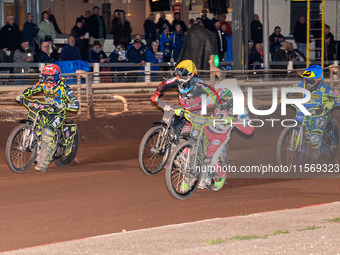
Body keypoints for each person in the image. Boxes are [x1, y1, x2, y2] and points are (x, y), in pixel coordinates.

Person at [150, 60, 254, 190]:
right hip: (205, 126)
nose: (224, 99)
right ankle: (189, 175)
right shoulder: (215, 99)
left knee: (209, 158)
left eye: (228, 96)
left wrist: (234, 122)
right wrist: (183, 110)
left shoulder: (241, 109)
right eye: (223, 94)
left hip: (220, 135)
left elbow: (249, 130)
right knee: (187, 148)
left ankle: (221, 175)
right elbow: (200, 104)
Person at [16, 64, 79, 172]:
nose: (48, 80)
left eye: (51, 78)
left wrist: (62, 106)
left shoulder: (64, 88)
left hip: (58, 114)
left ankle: (43, 163)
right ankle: (37, 154)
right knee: (37, 129)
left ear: (57, 76)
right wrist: (22, 96)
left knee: (47, 132)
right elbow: (31, 90)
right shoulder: (42, 84)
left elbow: (76, 105)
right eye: (46, 77)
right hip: (46, 111)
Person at [289, 65, 340, 159]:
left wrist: (332, 103)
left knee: (314, 138)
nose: (307, 83)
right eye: (306, 80)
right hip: (306, 113)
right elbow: (289, 89)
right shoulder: (302, 84)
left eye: (311, 81)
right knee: (305, 134)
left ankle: (316, 153)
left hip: (320, 115)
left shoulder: (326, 89)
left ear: (319, 80)